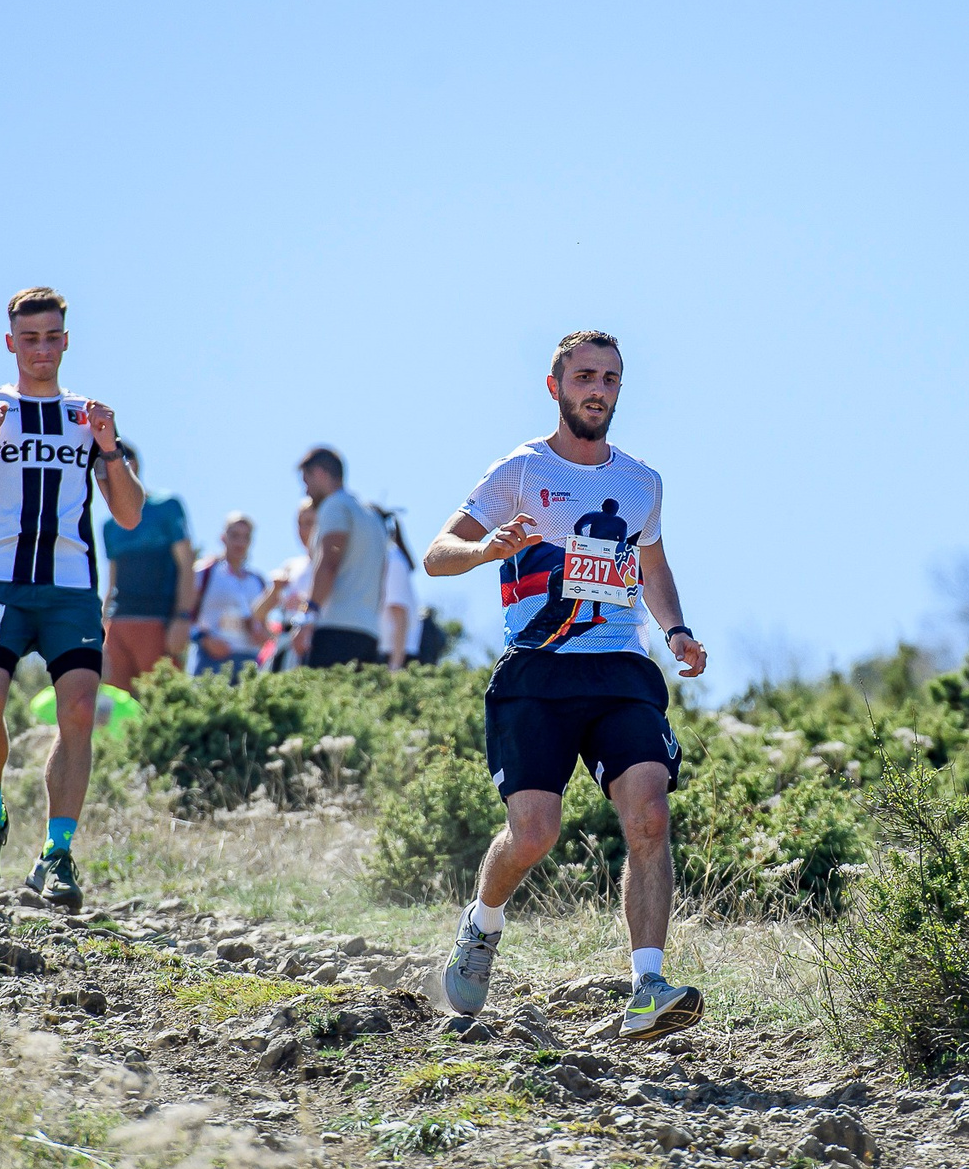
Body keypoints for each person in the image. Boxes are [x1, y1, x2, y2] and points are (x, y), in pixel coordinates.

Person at [422, 330, 709, 1042]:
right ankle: (481, 927)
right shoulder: (521, 469)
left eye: (611, 379)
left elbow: (654, 566)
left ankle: (647, 984)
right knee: (534, 833)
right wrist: (487, 547)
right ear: (555, 387)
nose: (598, 390)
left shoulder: (641, 481)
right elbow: (436, 554)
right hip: (536, 671)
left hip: (621, 667)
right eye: (585, 376)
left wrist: (674, 631)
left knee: (649, 813)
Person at [0, 287, 143, 911]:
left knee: (78, 714)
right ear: (11, 344)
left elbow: (127, 514)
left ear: (66, 341)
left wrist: (111, 447)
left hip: (71, 588)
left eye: (51, 337)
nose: (41, 349)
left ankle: (58, 853)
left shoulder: (85, 416)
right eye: (29, 338)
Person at [99, 443, 194, 691]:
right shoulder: (109, 525)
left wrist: (182, 617)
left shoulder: (167, 506)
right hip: (119, 624)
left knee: (164, 706)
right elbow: (112, 581)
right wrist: (102, 628)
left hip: (159, 621)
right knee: (117, 712)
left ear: (133, 464)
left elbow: (186, 565)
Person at [291, 446, 385, 669]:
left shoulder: (335, 506)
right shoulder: (372, 517)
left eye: (307, 481)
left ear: (320, 474)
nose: (306, 491)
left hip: (335, 629)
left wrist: (307, 615)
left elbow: (328, 562)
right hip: (369, 632)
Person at [189, 512, 266, 678]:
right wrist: (203, 638)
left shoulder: (258, 581)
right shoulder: (205, 572)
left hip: (249, 661)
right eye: (235, 535)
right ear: (223, 537)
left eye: (246, 537)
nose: (240, 542)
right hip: (212, 661)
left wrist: (262, 634)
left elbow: (263, 623)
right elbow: (184, 610)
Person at [257, 501, 317, 670]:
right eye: (300, 523)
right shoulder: (291, 567)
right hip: (285, 649)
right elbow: (259, 614)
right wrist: (274, 591)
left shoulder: (332, 567)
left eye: (310, 523)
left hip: (313, 646)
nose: (304, 530)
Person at [376, 508, 418, 670]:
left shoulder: (392, 559)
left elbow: (400, 614)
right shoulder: (387, 557)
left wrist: (395, 666)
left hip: (394, 655)